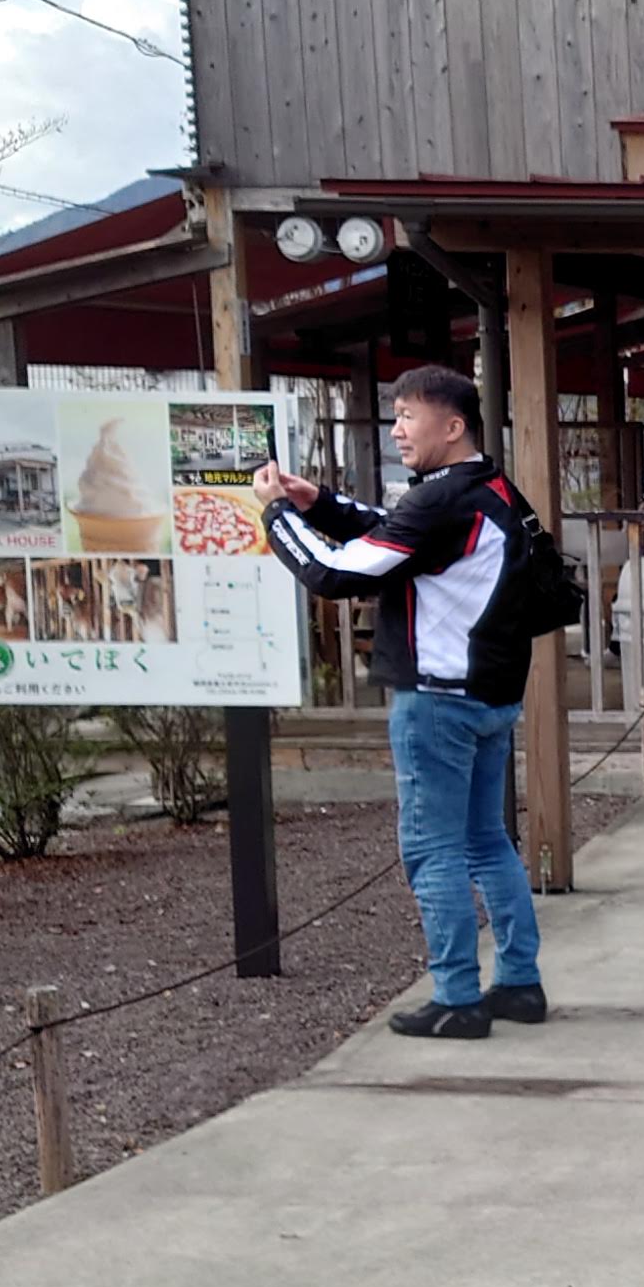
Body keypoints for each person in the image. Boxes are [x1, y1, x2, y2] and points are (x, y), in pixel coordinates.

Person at [253, 364, 544, 1040]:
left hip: (435, 700)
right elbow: (392, 530)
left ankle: (457, 996)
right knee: (485, 841)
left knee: (433, 849)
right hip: (489, 695)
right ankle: (519, 983)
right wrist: (316, 502)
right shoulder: (489, 488)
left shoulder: (442, 499)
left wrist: (273, 514)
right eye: (397, 416)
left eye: (410, 416)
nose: (399, 430)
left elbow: (336, 572)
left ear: (453, 425)